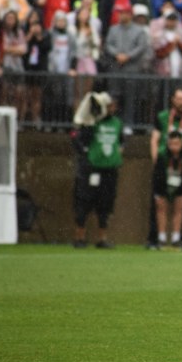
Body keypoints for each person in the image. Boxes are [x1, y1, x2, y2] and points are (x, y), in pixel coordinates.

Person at [70, 91, 123, 249]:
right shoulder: (91, 123)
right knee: (84, 201)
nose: (112, 108)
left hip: (109, 169)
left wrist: (115, 156)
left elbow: (121, 142)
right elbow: (76, 137)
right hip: (91, 169)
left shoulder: (117, 123)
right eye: (109, 105)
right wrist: (86, 155)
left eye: (113, 105)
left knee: (105, 204)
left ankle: (102, 238)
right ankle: (80, 236)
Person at [151, 130, 182, 250]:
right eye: (171, 144)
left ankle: (176, 237)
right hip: (162, 185)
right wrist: (162, 190)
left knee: (179, 209)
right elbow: (158, 175)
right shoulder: (161, 154)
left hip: (180, 185)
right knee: (161, 209)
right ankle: (161, 238)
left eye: (177, 144)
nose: (174, 147)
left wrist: (181, 189)